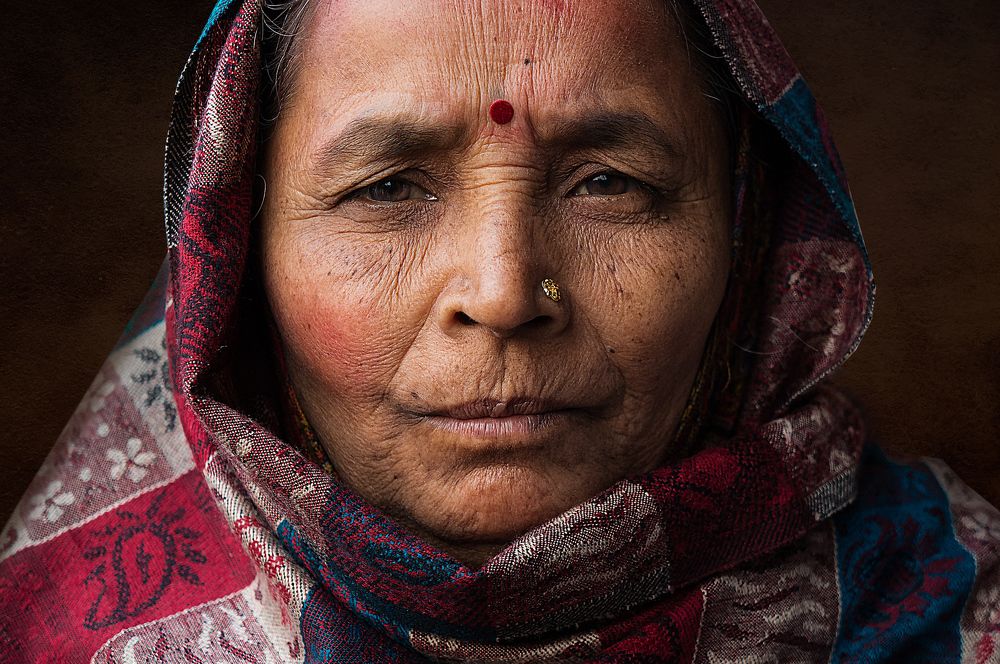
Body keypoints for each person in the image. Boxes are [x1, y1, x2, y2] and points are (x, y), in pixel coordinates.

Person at [0, 0, 997, 660]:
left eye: (610, 183)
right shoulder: (52, 638)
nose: (504, 289)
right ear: (240, 251)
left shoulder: (953, 611)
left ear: (747, 237)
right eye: (385, 187)